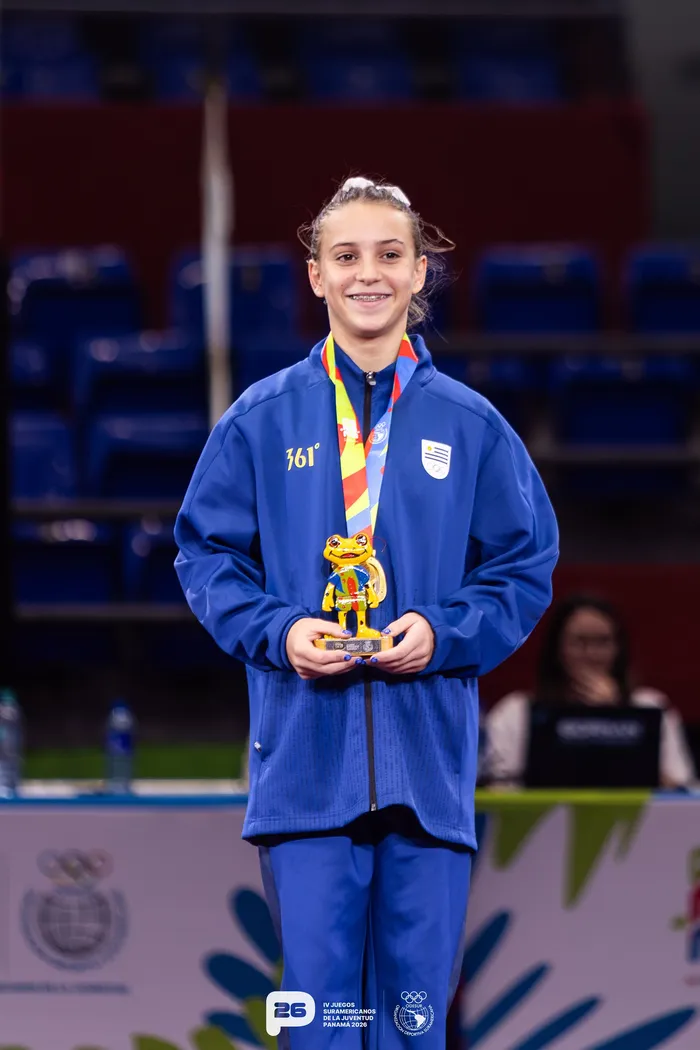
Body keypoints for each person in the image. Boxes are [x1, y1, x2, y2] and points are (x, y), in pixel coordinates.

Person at [174, 175, 559, 1048]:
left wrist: (446, 630)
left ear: (421, 272)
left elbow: (525, 563)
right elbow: (204, 553)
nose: (368, 275)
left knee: (414, 1022)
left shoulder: (472, 425)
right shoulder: (260, 420)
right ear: (315, 276)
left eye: (390, 255)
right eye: (345, 256)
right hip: (306, 768)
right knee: (320, 1021)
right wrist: (280, 630)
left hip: (427, 771)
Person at [487, 593, 696, 788]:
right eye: (579, 642)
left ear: (618, 648)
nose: (591, 654)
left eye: (603, 642)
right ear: (557, 649)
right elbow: (498, 786)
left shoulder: (651, 706)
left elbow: (680, 788)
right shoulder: (515, 711)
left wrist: (616, 717)